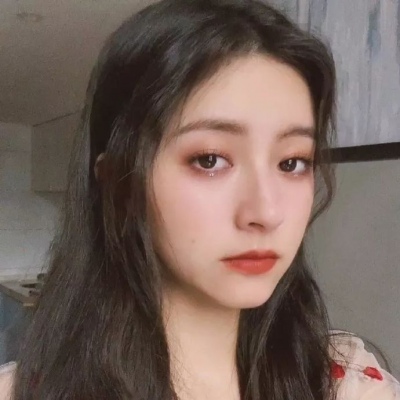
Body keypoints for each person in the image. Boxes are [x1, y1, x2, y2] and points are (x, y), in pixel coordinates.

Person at [0, 0, 399, 399]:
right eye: (210, 160)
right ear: (120, 186)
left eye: (292, 162)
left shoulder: (345, 385)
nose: (266, 212)